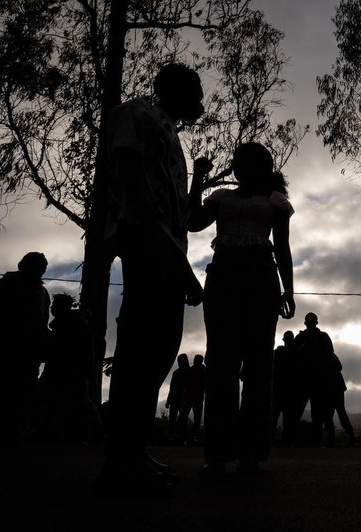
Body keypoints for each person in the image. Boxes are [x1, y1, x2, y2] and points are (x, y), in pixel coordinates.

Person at [100, 63, 205, 492]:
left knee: (159, 351)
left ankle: (134, 451)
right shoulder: (138, 114)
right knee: (142, 353)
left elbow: (183, 214)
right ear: (175, 90)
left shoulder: (169, 132)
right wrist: (177, 265)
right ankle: (120, 462)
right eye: (195, 92)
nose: (200, 102)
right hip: (146, 242)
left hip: (166, 248)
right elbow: (134, 184)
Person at [188, 140, 295, 474]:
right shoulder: (222, 198)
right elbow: (192, 222)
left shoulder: (275, 202)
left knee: (258, 365)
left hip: (261, 280)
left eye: (249, 163)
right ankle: (218, 452)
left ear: (263, 168)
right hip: (222, 280)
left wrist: (289, 291)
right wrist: (198, 178)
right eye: (238, 162)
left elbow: (283, 248)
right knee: (220, 363)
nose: (240, 168)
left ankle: (251, 451)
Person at [0, 251, 50, 445]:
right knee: (5, 387)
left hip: (30, 348)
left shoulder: (42, 291)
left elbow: (43, 320)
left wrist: (42, 344)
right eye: (39, 267)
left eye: (43, 268)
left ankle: (16, 431)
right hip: (9, 345)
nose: (42, 271)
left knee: (25, 389)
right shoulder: (7, 283)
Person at [36, 293, 101, 443]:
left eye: (54, 306)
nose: (52, 308)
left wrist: (87, 369)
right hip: (61, 369)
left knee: (78, 401)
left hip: (71, 370)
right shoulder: (65, 324)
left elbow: (83, 349)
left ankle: (92, 432)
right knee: (64, 400)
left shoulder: (74, 325)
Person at [284, 313, 338, 448]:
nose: (310, 324)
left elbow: (329, 354)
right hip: (306, 380)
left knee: (317, 413)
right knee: (300, 411)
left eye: (311, 322)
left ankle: (315, 440)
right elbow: (291, 356)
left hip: (316, 380)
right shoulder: (302, 338)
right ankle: (292, 439)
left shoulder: (319, 337)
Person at [329, 352, 356, 447]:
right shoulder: (331, 355)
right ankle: (350, 436)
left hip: (333, 387)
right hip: (336, 387)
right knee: (339, 412)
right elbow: (339, 367)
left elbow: (339, 367)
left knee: (333, 413)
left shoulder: (328, 356)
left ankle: (331, 439)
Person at [272, 330, 295, 441]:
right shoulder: (291, 353)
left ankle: (280, 439)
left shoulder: (279, 352)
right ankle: (285, 440)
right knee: (281, 416)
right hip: (283, 388)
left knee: (279, 416)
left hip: (282, 388)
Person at [178, 354, 205, 444]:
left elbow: (184, 382)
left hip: (191, 397)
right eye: (195, 359)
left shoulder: (193, 370)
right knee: (192, 418)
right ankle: (190, 437)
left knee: (189, 418)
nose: (194, 361)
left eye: (196, 359)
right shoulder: (201, 370)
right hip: (192, 397)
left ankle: (188, 438)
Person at [165, 354, 190, 442]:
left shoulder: (188, 372)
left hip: (183, 399)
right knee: (175, 419)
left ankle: (181, 437)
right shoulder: (177, 372)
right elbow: (172, 387)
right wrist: (168, 401)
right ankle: (174, 437)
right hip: (176, 399)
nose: (180, 363)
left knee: (182, 420)